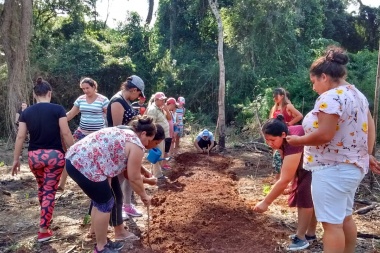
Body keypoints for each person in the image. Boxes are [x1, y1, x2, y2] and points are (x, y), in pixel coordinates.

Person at [286, 46, 380, 253]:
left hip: (332, 169)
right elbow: (370, 126)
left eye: (314, 82)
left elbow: (324, 135)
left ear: (324, 77)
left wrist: (298, 141)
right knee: (344, 217)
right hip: (351, 167)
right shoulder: (357, 95)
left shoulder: (330, 98)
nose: (313, 88)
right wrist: (367, 154)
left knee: (331, 225)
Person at [65, 116, 157, 253]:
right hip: (84, 165)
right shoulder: (136, 144)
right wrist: (144, 196)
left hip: (75, 159)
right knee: (106, 203)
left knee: (100, 202)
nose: (148, 144)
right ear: (143, 134)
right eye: (149, 140)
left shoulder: (125, 131)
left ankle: (101, 240)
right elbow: (134, 177)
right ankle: (101, 248)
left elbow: (112, 161)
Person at [11, 78, 74, 242]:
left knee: (42, 188)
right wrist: (75, 150)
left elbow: (20, 136)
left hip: (34, 157)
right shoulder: (58, 109)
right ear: (50, 93)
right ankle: (43, 230)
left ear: (34, 95)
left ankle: (45, 218)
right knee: (49, 191)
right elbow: (66, 133)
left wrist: (16, 159)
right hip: (54, 156)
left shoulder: (27, 112)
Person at [253, 115, 317, 251]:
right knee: (307, 196)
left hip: (317, 165)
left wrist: (266, 202)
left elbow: (284, 179)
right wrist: (291, 182)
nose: (270, 143)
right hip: (309, 165)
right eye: (267, 140)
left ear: (283, 134)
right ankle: (310, 234)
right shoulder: (285, 138)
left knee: (305, 198)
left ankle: (301, 238)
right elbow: (290, 168)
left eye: (272, 140)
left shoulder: (293, 140)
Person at [58, 77, 109, 191]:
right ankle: (62, 184)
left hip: (98, 135)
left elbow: (108, 116)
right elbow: (71, 114)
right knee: (70, 155)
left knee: (97, 159)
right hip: (82, 133)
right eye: (83, 89)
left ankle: (97, 183)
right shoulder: (80, 99)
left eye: (88, 88)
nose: (86, 91)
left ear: (94, 87)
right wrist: (58, 120)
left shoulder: (103, 100)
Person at [106, 75, 145, 223]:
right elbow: (117, 128)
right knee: (119, 178)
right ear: (134, 89)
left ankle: (127, 205)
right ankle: (119, 208)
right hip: (119, 146)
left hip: (128, 143)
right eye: (139, 94)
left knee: (128, 176)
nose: (138, 97)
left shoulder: (126, 101)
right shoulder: (117, 102)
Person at [269, 88, 303, 182]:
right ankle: (278, 178)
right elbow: (271, 120)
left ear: (282, 96)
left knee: (287, 156)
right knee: (277, 156)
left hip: (287, 134)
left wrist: (289, 124)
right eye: (273, 96)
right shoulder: (274, 108)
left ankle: (289, 180)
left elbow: (299, 115)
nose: (274, 98)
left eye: (276, 96)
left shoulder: (288, 106)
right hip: (276, 136)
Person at [146, 92, 171, 182]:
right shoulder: (152, 109)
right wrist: (153, 138)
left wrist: (166, 109)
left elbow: (169, 118)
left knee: (160, 154)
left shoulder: (160, 109)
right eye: (162, 100)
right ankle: (157, 175)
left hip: (161, 137)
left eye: (164, 99)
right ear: (156, 100)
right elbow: (151, 124)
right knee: (157, 154)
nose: (164, 101)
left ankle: (156, 173)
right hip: (156, 137)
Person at [162, 97, 177, 169]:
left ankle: (164, 164)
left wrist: (173, 134)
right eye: (174, 105)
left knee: (166, 150)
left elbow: (171, 123)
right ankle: (162, 165)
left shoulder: (170, 112)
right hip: (165, 134)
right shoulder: (164, 111)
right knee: (164, 150)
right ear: (171, 104)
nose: (175, 107)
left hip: (170, 135)